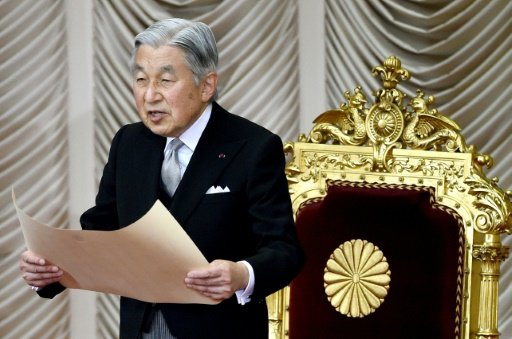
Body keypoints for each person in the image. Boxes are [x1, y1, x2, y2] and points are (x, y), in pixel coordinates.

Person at [18, 18, 303, 339]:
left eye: (165, 81)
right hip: (140, 328)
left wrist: (241, 275)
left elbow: (283, 250)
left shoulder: (253, 147)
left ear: (206, 85)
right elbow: (102, 231)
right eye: (141, 79)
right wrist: (49, 270)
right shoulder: (129, 143)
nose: (150, 95)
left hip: (218, 329)